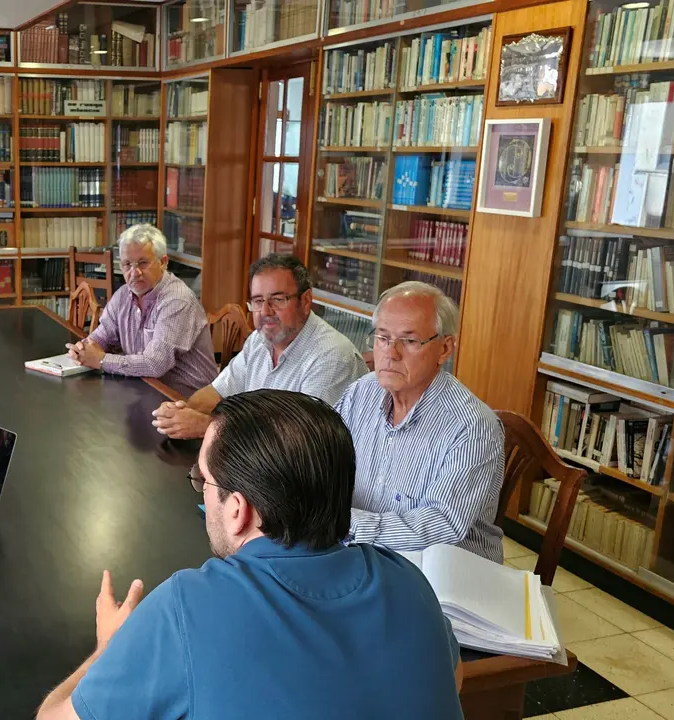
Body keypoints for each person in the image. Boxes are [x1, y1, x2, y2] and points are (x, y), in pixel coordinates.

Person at [36, 390, 463, 720]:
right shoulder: (410, 581)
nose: (200, 488)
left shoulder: (188, 607)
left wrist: (109, 648)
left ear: (238, 510)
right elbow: (453, 675)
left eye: (201, 479)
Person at [335, 281, 505, 562]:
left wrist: (342, 524)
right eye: (382, 338)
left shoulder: (472, 426)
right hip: (361, 553)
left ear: (444, 348)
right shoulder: (361, 392)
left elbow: (443, 525)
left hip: (445, 572)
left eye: (409, 341)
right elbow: (321, 456)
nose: (391, 353)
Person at [150, 253, 368, 439]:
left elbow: (297, 440)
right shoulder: (259, 339)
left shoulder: (332, 356)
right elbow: (217, 392)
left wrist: (207, 428)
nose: (265, 312)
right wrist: (182, 413)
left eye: (278, 300)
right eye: (258, 301)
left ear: (306, 300)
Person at [65, 224, 218, 396]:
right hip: (145, 389)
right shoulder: (123, 295)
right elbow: (102, 336)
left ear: (163, 262)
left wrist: (101, 360)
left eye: (143, 263)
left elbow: (155, 364)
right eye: (127, 264)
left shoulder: (177, 300)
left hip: (186, 401)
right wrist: (83, 350)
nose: (134, 272)